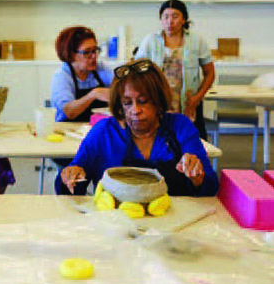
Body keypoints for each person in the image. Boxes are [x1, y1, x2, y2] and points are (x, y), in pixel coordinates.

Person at [55, 59, 219, 197]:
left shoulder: (180, 127)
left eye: (143, 101)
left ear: (158, 100)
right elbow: (72, 190)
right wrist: (70, 177)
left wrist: (198, 176)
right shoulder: (103, 133)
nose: (135, 110)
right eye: (127, 103)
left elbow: (211, 187)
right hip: (116, 226)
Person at [135, 0, 215, 140]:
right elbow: (136, 72)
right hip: (158, 102)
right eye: (166, 17)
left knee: (193, 142)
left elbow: (210, 73)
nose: (170, 21)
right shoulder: (150, 41)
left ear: (184, 19)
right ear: (161, 19)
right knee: (160, 142)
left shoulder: (197, 40)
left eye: (175, 16)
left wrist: (198, 97)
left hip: (189, 102)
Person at [51, 26, 114, 122]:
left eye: (95, 50)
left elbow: (121, 86)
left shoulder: (100, 68)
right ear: (71, 54)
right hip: (68, 130)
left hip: (94, 128)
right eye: (87, 52)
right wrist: (93, 95)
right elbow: (69, 111)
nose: (93, 56)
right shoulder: (62, 76)